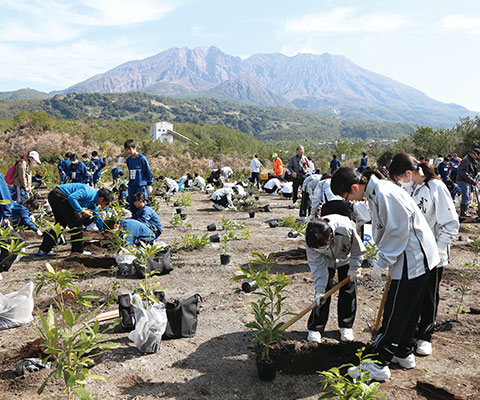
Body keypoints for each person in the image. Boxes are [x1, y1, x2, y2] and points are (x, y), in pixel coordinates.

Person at [331, 168, 440, 381]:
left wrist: (381, 262)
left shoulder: (383, 193)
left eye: (346, 197)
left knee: (395, 309)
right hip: (417, 256)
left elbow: (398, 231)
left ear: (354, 188)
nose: (349, 201)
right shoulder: (377, 192)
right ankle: (403, 352)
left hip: (412, 257)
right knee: (408, 309)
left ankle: (379, 363)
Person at [389, 153, 459, 356]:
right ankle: (408, 336)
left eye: (400, 177)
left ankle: (426, 335)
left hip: (433, 255)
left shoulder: (436, 187)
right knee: (412, 296)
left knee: (428, 296)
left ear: (409, 172)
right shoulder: (408, 188)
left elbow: (451, 222)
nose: (400, 182)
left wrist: (438, 249)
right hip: (413, 254)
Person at [305, 216, 364, 344]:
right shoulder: (310, 240)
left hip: (346, 258)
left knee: (348, 289)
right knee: (323, 294)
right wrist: (319, 290)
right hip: (326, 261)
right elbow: (318, 268)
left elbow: (358, 251)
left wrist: (354, 268)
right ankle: (316, 327)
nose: (320, 248)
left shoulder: (346, 229)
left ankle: (346, 326)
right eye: (317, 248)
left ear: (331, 236)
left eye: (323, 245)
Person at [37, 184, 113, 256]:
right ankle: (77, 251)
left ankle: (44, 249)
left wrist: (102, 231)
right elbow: (72, 198)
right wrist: (82, 211)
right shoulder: (89, 192)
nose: (103, 206)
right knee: (77, 223)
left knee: (60, 225)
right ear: (102, 198)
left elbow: (97, 215)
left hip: (55, 195)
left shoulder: (93, 201)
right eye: (105, 203)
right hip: (59, 195)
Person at [124, 139, 153, 212]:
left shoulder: (141, 159)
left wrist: (149, 184)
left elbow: (147, 171)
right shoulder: (128, 160)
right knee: (132, 204)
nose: (128, 152)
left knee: (141, 205)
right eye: (126, 150)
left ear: (134, 147)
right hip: (132, 186)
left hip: (141, 186)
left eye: (129, 149)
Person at [457, 148, 480, 217]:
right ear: (473, 154)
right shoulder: (466, 160)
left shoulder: (471, 160)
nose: (476, 158)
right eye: (476, 156)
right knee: (466, 195)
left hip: (468, 181)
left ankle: (465, 211)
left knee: (468, 196)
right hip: (464, 180)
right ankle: (463, 213)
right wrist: (471, 180)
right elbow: (463, 173)